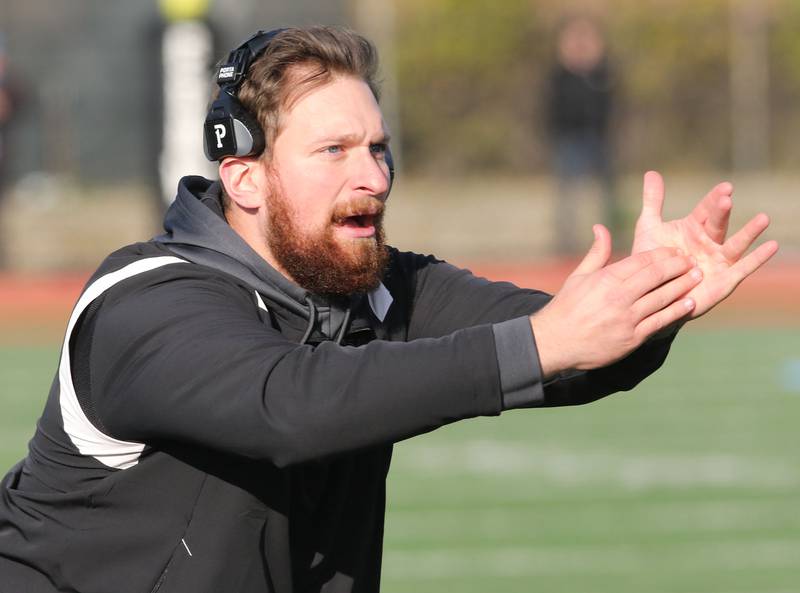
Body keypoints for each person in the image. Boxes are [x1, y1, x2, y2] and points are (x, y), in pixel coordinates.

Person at [0, 26, 777, 593]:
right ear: (244, 180)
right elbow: (291, 406)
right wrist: (545, 341)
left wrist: (655, 298)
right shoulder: (147, 301)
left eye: (377, 147)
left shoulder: (384, 287)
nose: (372, 175)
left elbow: (569, 347)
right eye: (334, 151)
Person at [546, 16, 617, 254]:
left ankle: (613, 238)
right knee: (568, 195)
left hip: (598, 137)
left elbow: (612, 101)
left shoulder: (600, 74)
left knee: (607, 194)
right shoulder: (561, 75)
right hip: (569, 138)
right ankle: (566, 244)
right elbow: (552, 105)